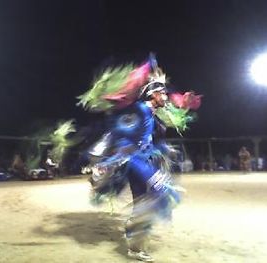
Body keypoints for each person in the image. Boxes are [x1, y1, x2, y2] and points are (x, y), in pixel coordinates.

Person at [78, 54, 201, 262]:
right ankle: (135, 232)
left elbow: (144, 139)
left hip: (142, 161)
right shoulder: (141, 109)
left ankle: (135, 247)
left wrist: (162, 149)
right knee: (164, 191)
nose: (166, 96)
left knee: (141, 202)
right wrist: (108, 162)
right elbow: (123, 134)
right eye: (162, 92)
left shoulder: (151, 115)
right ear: (152, 94)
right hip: (134, 161)